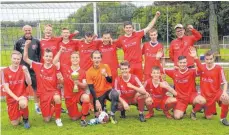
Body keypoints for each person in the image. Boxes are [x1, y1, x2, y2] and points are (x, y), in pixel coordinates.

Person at [23, 40, 63, 127]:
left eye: (50, 56)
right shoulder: (38, 66)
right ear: (43, 57)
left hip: (53, 92)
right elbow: (25, 59)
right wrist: (26, 47)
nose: (48, 58)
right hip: (43, 94)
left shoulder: (55, 67)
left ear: (52, 58)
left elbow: (61, 82)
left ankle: (58, 118)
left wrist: (61, 80)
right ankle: (53, 108)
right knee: (47, 120)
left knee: (57, 98)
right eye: (47, 56)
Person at [189, 47, 229, 126]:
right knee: (209, 117)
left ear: (214, 58)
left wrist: (224, 92)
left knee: (226, 99)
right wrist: (195, 58)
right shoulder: (202, 67)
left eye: (211, 59)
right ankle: (197, 110)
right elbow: (194, 74)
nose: (209, 61)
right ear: (204, 59)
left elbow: (225, 82)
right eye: (207, 59)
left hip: (216, 93)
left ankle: (223, 118)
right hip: (205, 95)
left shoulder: (218, 68)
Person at [116, 11, 160, 81]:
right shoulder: (121, 39)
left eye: (130, 27)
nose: (128, 29)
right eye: (126, 28)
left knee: (139, 83)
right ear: (124, 29)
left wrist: (156, 16)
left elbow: (148, 27)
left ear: (132, 28)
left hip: (138, 64)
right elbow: (112, 46)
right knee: (128, 82)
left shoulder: (137, 34)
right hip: (128, 65)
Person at [53, 48, 90, 127]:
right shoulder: (65, 67)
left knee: (86, 97)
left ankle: (83, 118)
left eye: (76, 57)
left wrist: (78, 83)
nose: (75, 59)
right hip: (69, 96)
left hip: (79, 94)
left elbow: (85, 85)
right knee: (74, 118)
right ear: (70, 59)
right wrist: (60, 51)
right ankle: (85, 111)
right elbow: (54, 62)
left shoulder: (83, 72)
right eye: (73, 57)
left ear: (79, 59)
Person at [163, 55, 206, 120]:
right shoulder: (174, 72)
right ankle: (181, 109)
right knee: (177, 117)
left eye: (184, 62)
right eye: (181, 62)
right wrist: (157, 58)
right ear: (178, 63)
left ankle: (193, 112)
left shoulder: (192, 71)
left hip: (191, 95)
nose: (182, 64)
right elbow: (161, 70)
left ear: (186, 63)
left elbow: (202, 69)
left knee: (202, 101)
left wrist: (196, 58)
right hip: (180, 98)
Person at [86, 50, 120, 124]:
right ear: (91, 59)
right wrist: (96, 100)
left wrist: (106, 75)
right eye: (95, 58)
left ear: (101, 59)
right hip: (98, 94)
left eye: (98, 58)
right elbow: (91, 88)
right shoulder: (89, 72)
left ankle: (112, 115)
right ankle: (103, 110)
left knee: (115, 94)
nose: (97, 60)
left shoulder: (106, 66)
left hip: (107, 91)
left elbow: (110, 80)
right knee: (98, 116)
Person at [14, 25, 41, 114]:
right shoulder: (18, 42)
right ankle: (19, 107)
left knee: (36, 89)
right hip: (23, 69)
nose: (27, 31)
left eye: (29, 30)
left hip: (34, 70)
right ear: (23, 30)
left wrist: (37, 66)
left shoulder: (36, 41)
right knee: (20, 89)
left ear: (31, 30)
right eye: (26, 30)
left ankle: (37, 107)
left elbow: (39, 55)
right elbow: (15, 55)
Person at [2, 50, 31, 128]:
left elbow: (29, 83)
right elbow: (6, 88)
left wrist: (26, 73)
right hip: (12, 98)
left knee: (23, 103)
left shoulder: (23, 68)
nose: (16, 61)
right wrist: (16, 98)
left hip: (22, 94)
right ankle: (15, 111)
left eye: (18, 59)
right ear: (11, 58)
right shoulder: (5, 71)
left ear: (20, 59)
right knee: (15, 123)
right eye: (14, 58)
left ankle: (25, 119)